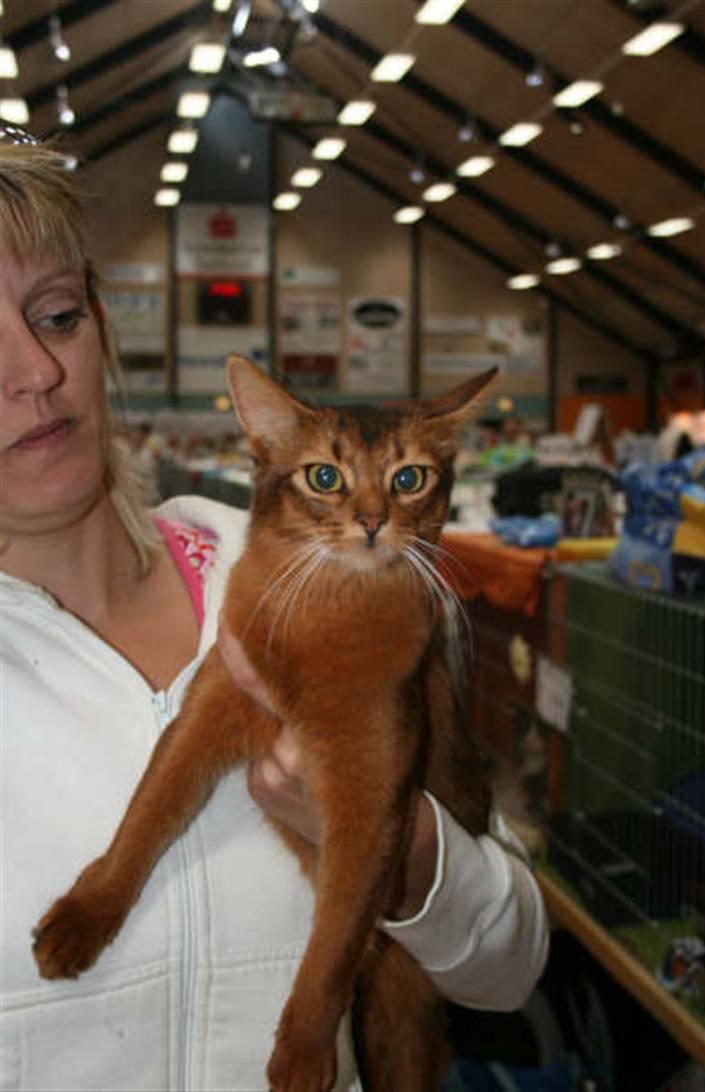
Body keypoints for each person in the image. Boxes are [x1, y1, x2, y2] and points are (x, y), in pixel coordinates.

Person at [0, 136, 549, 1092]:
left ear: (99, 328)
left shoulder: (349, 591)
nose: (33, 373)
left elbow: (513, 963)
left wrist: (407, 851)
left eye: (54, 315)